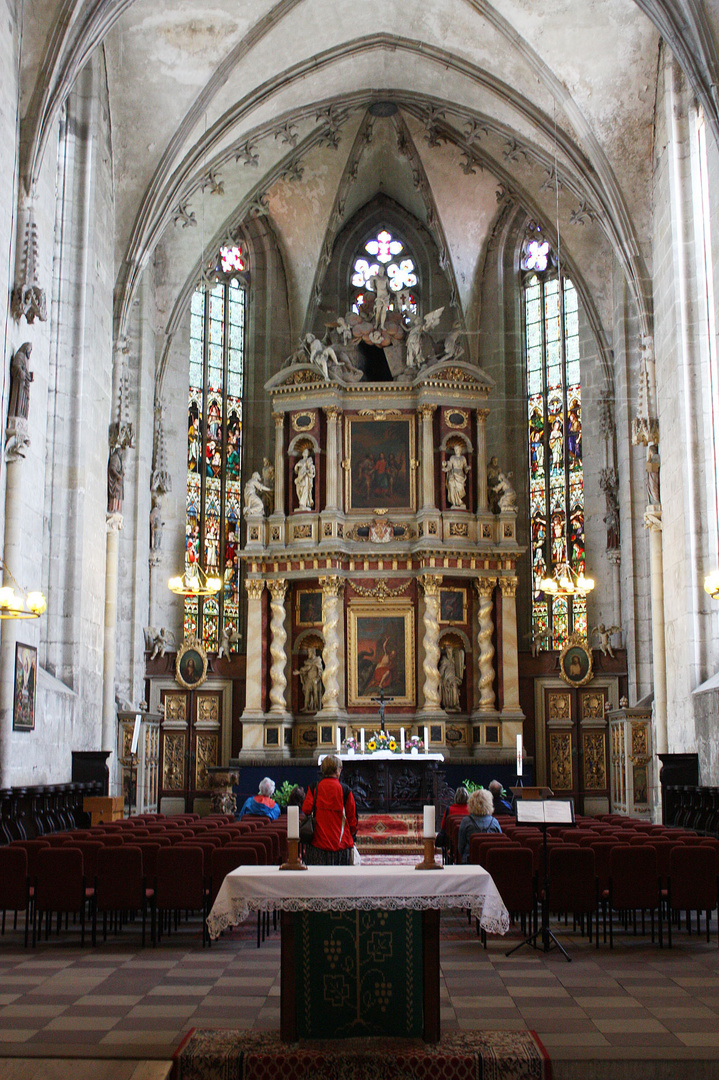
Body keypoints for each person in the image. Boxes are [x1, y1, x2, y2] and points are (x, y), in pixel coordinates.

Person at [301, 755, 357, 865]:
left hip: (318, 842)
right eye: (340, 769)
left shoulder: (314, 787)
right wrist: (352, 835)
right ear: (337, 770)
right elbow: (352, 819)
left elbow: (306, 809)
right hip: (341, 844)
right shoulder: (345, 790)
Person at [456, 789, 502, 863]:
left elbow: (460, 848)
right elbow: (500, 844)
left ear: (471, 803)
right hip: (490, 862)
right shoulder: (494, 822)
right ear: (489, 804)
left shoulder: (466, 821)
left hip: (470, 861)